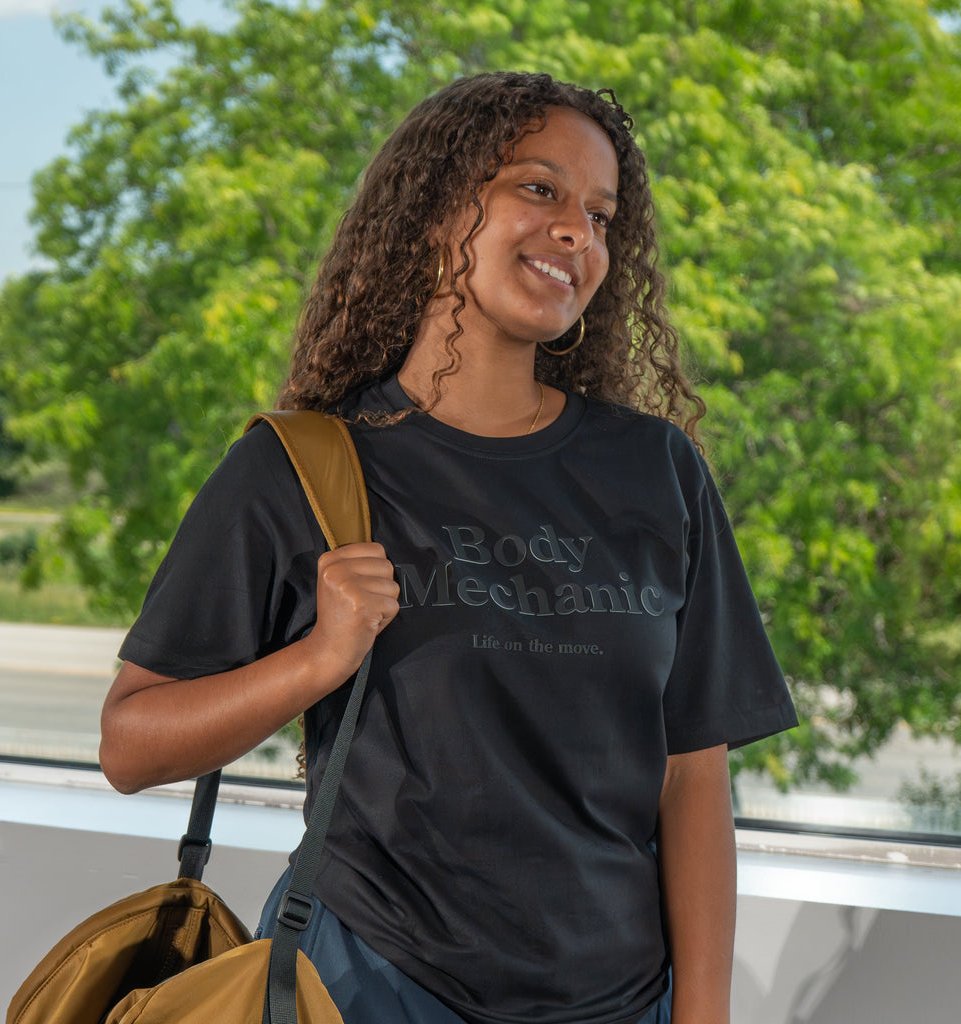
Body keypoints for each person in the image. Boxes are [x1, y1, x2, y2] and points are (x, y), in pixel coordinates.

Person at [100, 71, 797, 1024]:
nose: (576, 233)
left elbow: (692, 776)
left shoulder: (657, 470)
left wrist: (704, 1015)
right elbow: (130, 745)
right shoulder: (303, 469)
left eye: (601, 216)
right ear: (435, 210)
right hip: (370, 989)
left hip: (622, 1003)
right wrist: (318, 660)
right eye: (539, 189)